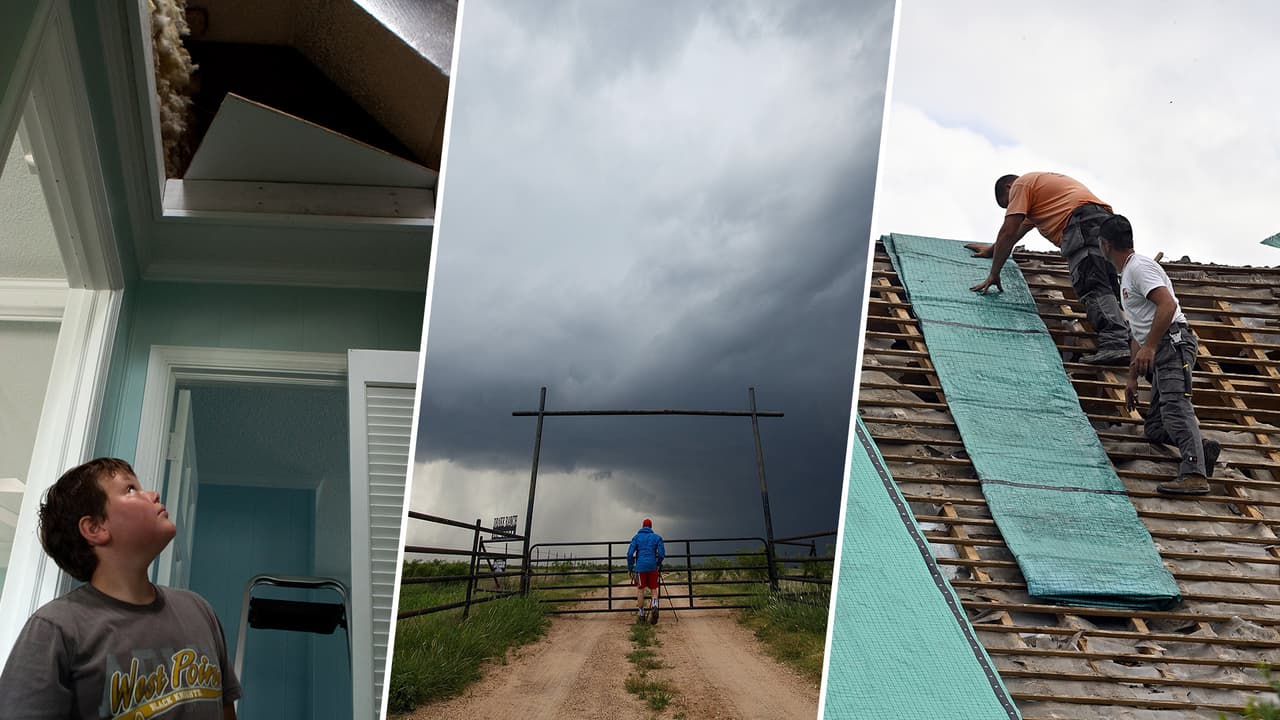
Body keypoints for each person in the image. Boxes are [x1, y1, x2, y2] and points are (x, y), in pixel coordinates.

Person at [0, 458, 241, 718]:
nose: (154, 494)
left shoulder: (198, 609)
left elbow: (225, 710)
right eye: (130, 489)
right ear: (95, 528)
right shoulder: (55, 628)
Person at [1099, 216, 1220, 495]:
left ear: (1106, 245)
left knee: (1175, 408)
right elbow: (1137, 330)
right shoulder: (1127, 275)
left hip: (1172, 345)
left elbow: (1168, 305)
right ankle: (1201, 450)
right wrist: (1132, 377)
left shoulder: (1139, 268)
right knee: (1155, 427)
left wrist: (1151, 347)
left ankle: (1194, 473)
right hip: (1160, 347)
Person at [968, 172, 1131, 365]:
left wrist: (994, 273)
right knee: (1108, 286)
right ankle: (1127, 341)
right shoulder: (1040, 195)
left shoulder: (1021, 185)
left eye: (1009, 204)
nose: (1013, 208)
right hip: (1102, 222)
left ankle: (1115, 345)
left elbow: (1008, 230)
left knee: (1092, 285)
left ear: (1008, 188)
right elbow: (1013, 236)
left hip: (1081, 225)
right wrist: (992, 250)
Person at [626, 518, 665, 624]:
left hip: (640, 568)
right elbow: (661, 554)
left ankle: (642, 615)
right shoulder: (657, 537)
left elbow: (630, 554)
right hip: (652, 567)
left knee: (640, 590)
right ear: (651, 527)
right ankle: (655, 606)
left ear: (642, 526)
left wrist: (630, 568)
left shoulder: (636, 537)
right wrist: (658, 564)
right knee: (654, 590)